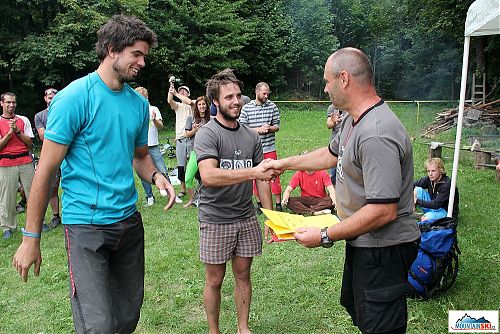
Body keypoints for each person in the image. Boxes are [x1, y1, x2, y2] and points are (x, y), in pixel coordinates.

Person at [12, 15, 175, 333]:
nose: (142, 62)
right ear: (112, 50)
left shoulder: (138, 105)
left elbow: (140, 156)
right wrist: (31, 238)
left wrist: (157, 177)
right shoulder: (74, 99)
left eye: (144, 55)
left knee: (127, 318)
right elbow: (44, 171)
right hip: (86, 226)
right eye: (137, 54)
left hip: (128, 224)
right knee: (97, 324)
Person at [268, 47, 420, 334]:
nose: (325, 88)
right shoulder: (353, 118)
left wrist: (324, 235)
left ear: (344, 79)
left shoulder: (376, 132)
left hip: (382, 250)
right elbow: (330, 155)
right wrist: (284, 164)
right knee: (361, 312)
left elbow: (383, 210)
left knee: (381, 326)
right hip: (363, 242)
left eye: (327, 81)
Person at [195, 68, 277, 334]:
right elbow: (208, 176)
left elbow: (263, 179)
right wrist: (253, 172)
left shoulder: (251, 136)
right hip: (215, 219)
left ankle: (243, 328)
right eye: (229, 97)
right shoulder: (207, 133)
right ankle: (213, 330)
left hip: (245, 218)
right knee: (215, 280)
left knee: (243, 275)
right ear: (215, 102)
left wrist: (271, 216)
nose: (236, 101)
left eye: (239, 95)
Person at [239, 82, 282, 212]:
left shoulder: (272, 106)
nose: (266, 96)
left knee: (274, 175)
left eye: (268, 93)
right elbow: (242, 127)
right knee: (256, 176)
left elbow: (277, 125)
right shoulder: (247, 108)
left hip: (269, 147)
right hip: (253, 149)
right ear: (257, 92)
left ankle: (278, 204)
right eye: (264, 93)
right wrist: (258, 130)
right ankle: (259, 203)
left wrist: (269, 128)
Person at [0, 92, 35, 240]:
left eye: (13, 102)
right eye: (8, 102)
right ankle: (8, 227)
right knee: (7, 198)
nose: (11, 105)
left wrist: (18, 131)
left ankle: (36, 223)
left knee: (33, 194)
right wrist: (9, 133)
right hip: (6, 163)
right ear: (1, 103)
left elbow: (31, 145)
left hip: (25, 161)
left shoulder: (23, 120)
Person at [134, 86, 172, 209]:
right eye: (140, 98)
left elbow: (161, 126)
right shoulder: (133, 111)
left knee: (162, 169)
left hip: (153, 145)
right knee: (143, 174)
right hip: (140, 147)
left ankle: (170, 194)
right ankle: (150, 197)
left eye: (145, 98)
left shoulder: (153, 109)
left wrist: (154, 119)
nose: (143, 101)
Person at [34, 87, 61, 229]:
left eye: (55, 96)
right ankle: (56, 216)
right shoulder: (40, 116)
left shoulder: (65, 111)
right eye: (50, 97)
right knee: (52, 187)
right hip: (50, 155)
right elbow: (42, 136)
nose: (52, 99)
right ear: (45, 99)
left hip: (68, 155)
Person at [183, 95, 211, 208]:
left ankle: (211, 200)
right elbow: (187, 134)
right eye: (199, 104)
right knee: (188, 178)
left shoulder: (212, 119)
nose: (201, 106)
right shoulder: (191, 118)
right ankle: (192, 199)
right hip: (195, 151)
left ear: (206, 105)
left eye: (203, 104)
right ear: (196, 106)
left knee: (209, 178)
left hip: (209, 152)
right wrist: (195, 129)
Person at [167, 83, 193, 200]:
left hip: (192, 138)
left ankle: (196, 187)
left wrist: (176, 93)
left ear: (188, 93)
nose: (182, 92)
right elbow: (169, 101)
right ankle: (183, 189)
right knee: (181, 165)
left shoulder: (192, 104)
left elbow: (189, 102)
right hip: (180, 139)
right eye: (180, 90)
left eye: (184, 91)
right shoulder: (177, 106)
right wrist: (171, 90)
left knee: (195, 164)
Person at [325, 103, 344, 185]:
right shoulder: (332, 107)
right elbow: (328, 125)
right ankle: (333, 193)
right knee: (333, 174)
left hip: (347, 144)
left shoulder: (350, 107)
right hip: (335, 145)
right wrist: (334, 121)